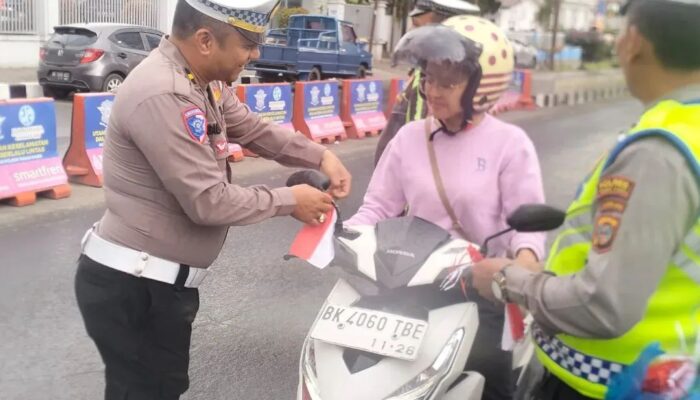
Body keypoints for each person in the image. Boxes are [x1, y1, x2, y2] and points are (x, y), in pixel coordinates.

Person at [73, 0, 352, 399]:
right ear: (205, 41)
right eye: (247, 45)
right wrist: (290, 200)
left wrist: (319, 155)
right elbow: (208, 202)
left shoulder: (201, 81)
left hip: (154, 284)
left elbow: (252, 129)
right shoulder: (165, 92)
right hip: (134, 288)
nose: (255, 54)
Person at [471, 0, 700, 399]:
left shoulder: (659, 151)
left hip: (613, 386)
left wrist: (508, 280)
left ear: (633, 42)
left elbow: (603, 305)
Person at [345, 16, 546, 400]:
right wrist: (344, 236)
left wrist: (523, 262)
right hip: (409, 286)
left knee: (491, 386)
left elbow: (528, 226)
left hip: (479, 289)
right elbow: (378, 208)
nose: (432, 91)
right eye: (428, 79)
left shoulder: (509, 144)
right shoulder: (408, 138)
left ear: (481, 87)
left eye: (447, 83)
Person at [374, 0, 480, 165]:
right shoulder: (424, 73)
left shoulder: (436, 83)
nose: (411, 31)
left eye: (417, 26)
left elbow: (419, 135)